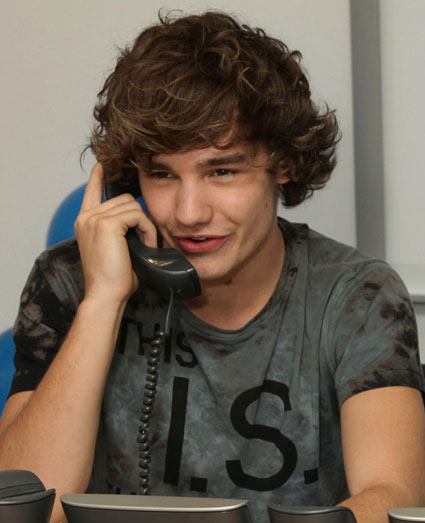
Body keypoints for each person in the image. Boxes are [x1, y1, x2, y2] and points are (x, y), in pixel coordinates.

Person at [0, 11, 424, 523]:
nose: (188, 213)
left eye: (221, 171)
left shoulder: (358, 295)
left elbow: (392, 494)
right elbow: (26, 506)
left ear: (283, 164)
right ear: (125, 181)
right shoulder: (69, 280)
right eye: (161, 174)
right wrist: (103, 301)